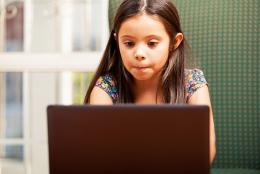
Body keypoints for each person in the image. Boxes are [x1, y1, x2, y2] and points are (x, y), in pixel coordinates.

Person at [84, 0, 216, 163]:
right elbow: (100, 151)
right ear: (117, 42)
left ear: (174, 42)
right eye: (129, 43)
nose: (139, 53)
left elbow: (206, 151)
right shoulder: (106, 87)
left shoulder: (192, 83)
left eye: (152, 43)